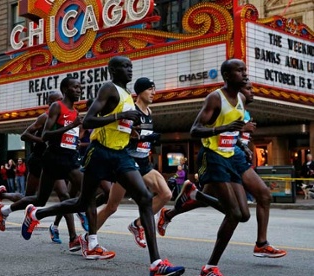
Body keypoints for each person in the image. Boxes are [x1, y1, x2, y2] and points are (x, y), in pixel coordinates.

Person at [19, 56, 185, 275]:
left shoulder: (127, 96)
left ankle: (156, 264)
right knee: (82, 202)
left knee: (145, 197)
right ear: (113, 70)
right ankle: (37, 214)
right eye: (124, 67)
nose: (129, 70)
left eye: (130, 66)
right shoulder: (109, 89)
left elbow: (120, 126)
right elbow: (88, 121)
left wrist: (132, 128)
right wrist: (121, 115)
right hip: (99, 153)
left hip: (121, 154)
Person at [158, 81, 287, 261]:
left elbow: (233, 136)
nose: (252, 92)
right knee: (228, 209)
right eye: (248, 89)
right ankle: (180, 208)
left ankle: (261, 244)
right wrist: (241, 129)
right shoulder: (219, 99)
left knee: (263, 195)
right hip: (216, 155)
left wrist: (244, 146)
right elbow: (216, 129)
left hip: (235, 155)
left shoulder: (243, 107)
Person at [169, 59, 251, 276]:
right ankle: (210, 266)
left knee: (243, 215)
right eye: (238, 70)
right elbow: (194, 130)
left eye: (244, 69)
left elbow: (232, 132)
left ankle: (196, 194)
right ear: (226, 75)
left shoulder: (241, 98)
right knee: (233, 213)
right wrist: (222, 127)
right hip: (212, 157)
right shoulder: (215, 98)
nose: (244, 73)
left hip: (231, 157)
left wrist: (242, 145)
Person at [0, 78, 82, 252]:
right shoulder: (47, 115)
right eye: (54, 101)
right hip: (41, 159)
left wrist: (73, 140)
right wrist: (42, 140)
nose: (56, 104)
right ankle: (6, 201)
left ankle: (72, 237)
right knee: (37, 197)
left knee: (55, 196)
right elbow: (27, 135)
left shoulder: (73, 111)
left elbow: (67, 134)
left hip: (62, 158)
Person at [95, 77, 172, 249]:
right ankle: (87, 236)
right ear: (139, 92)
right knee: (112, 207)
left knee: (166, 194)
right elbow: (124, 135)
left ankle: (137, 224)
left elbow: (142, 138)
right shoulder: (132, 109)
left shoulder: (149, 112)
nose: (154, 92)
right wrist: (144, 137)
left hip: (143, 163)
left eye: (154, 88)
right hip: (127, 164)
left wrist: (150, 140)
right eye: (149, 89)